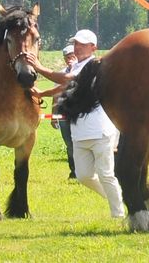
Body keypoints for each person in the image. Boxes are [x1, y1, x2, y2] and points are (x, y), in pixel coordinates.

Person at [27, 30, 125, 218]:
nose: (77, 47)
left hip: (99, 130)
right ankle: (118, 198)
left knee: (105, 174)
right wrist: (42, 94)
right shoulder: (75, 66)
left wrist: (38, 67)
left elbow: (66, 80)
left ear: (93, 48)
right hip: (79, 131)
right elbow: (64, 86)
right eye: (76, 43)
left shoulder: (94, 65)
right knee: (83, 176)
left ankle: (118, 213)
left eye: (82, 44)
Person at [52, 45, 77, 179]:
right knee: (69, 144)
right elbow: (55, 95)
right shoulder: (61, 74)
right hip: (63, 113)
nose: (69, 59)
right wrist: (53, 115)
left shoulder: (82, 70)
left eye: (72, 56)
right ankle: (73, 171)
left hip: (79, 113)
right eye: (67, 57)